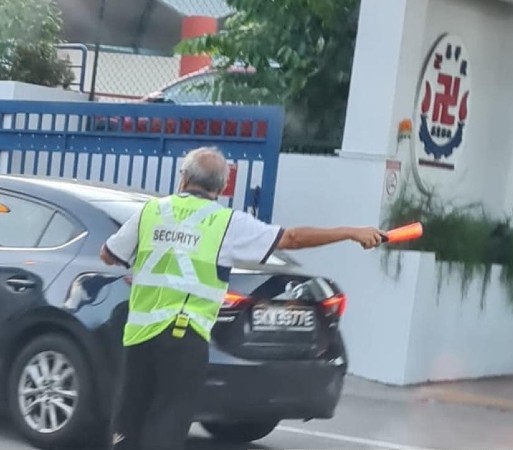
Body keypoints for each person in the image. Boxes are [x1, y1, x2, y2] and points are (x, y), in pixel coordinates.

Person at [99, 146, 385, 450]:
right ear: (222, 187)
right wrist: (350, 232)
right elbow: (292, 239)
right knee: (168, 421)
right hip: (185, 338)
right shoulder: (225, 223)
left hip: (140, 336)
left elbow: (108, 254)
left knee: (128, 419)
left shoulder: (152, 211)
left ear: (182, 179)